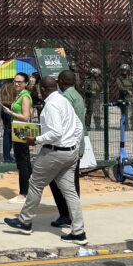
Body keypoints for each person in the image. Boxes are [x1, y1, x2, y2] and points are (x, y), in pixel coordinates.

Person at [3, 77, 87, 244]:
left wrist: (36, 139)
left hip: (55, 152)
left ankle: (24, 221)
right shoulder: (63, 101)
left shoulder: (51, 105)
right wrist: (74, 145)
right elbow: (78, 126)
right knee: (70, 192)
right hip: (70, 152)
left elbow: (55, 132)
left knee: (35, 183)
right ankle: (79, 232)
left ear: (42, 89)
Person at [51, 70, 85, 230]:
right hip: (77, 144)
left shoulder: (64, 98)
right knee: (73, 182)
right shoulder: (78, 96)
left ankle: (66, 214)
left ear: (62, 81)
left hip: (64, 145)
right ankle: (73, 215)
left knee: (55, 181)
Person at [0, 73, 33, 204]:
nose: (17, 84)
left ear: (26, 83)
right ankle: (29, 191)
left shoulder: (25, 97)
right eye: (15, 81)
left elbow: (26, 116)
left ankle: (23, 194)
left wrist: (10, 113)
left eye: (20, 82)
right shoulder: (19, 95)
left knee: (22, 162)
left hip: (22, 129)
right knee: (25, 161)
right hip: (18, 129)